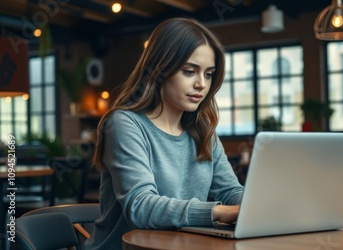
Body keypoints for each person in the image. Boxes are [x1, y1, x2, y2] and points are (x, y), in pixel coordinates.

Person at [84, 17, 243, 249]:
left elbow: (230, 191)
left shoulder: (203, 129)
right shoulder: (123, 124)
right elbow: (140, 206)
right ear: (160, 69)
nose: (201, 84)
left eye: (208, 74)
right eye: (190, 71)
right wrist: (218, 212)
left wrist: (259, 205)